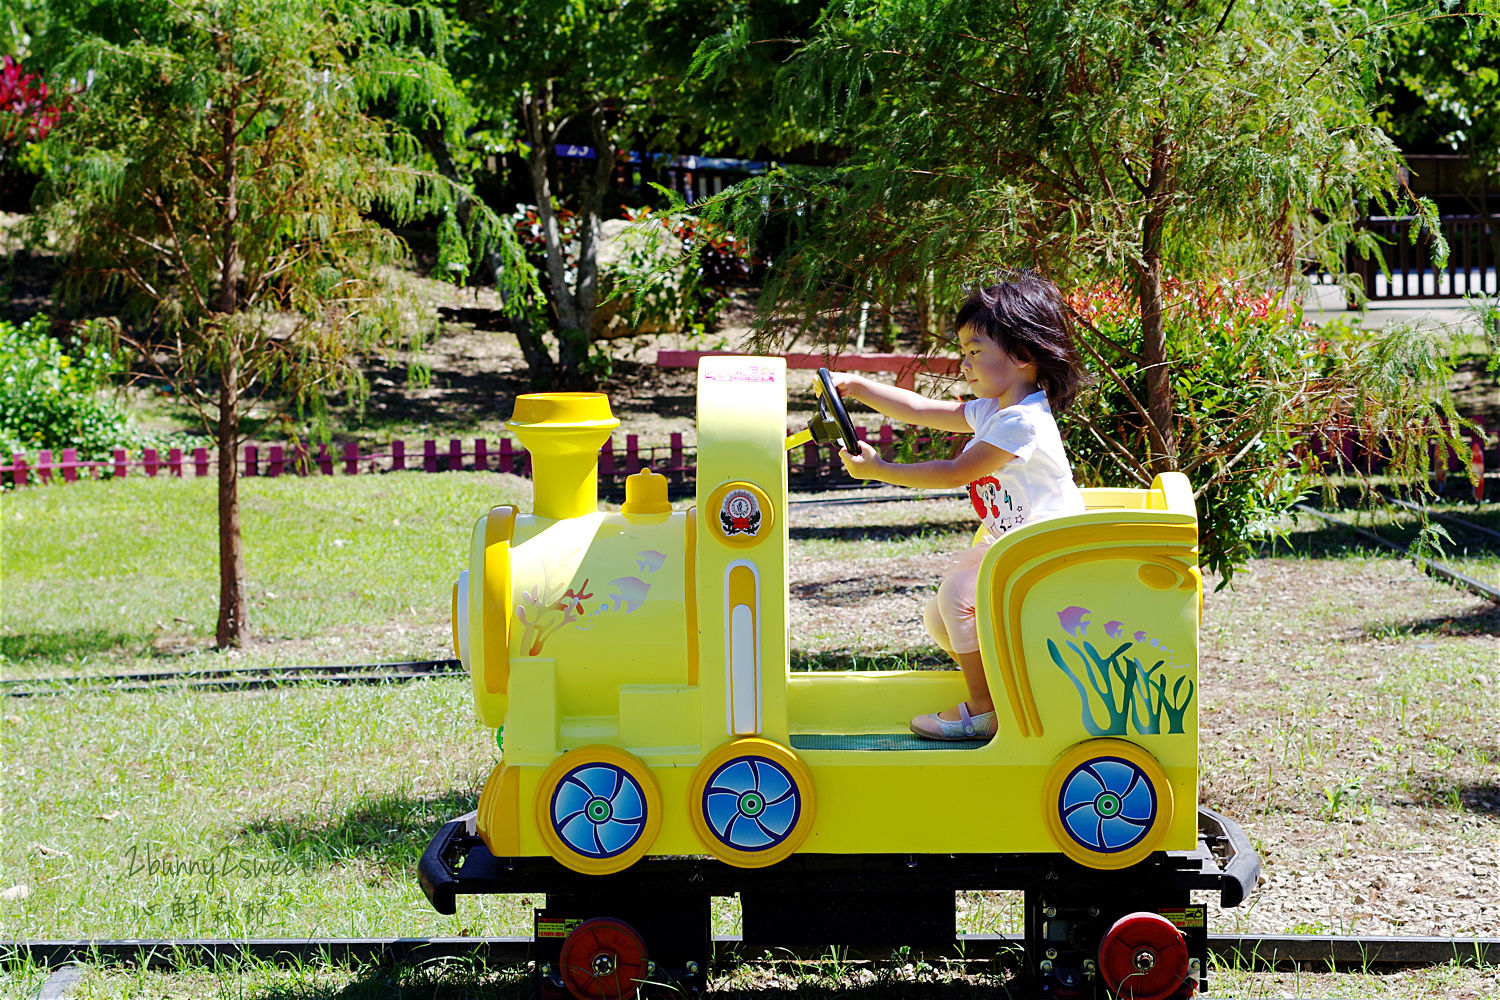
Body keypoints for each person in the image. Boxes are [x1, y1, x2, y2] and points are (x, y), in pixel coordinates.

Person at [834, 274, 1086, 741]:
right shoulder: (995, 409)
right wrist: (860, 388)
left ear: (1023, 356)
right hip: (1012, 542)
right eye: (964, 351)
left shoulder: (1021, 423)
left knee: (957, 598)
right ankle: (1008, 689)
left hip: (1046, 549)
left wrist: (880, 468)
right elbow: (923, 410)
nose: (964, 363)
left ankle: (985, 709)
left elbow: (954, 472)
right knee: (939, 615)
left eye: (975, 351)